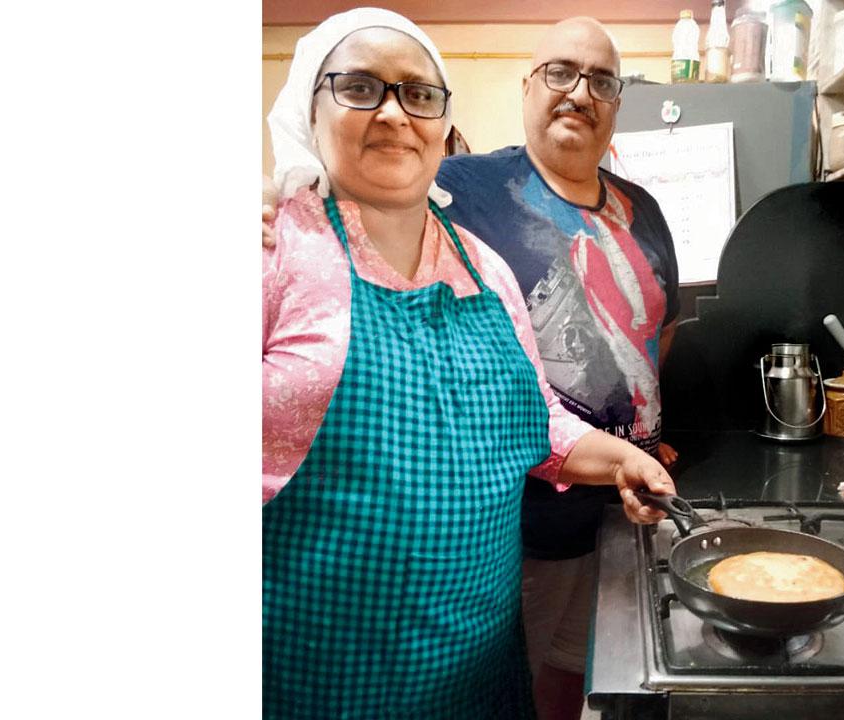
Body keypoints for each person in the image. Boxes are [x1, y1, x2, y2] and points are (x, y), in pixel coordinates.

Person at [262, 9, 675, 720]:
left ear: (441, 122)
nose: (394, 114)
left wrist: (620, 463)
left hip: (478, 668)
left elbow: (533, 416)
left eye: (418, 94)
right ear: (310, 106)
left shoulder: (482, 266)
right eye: (361, 87)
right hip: (323, 672)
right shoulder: (270, 250)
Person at [434, 18, 681, 720]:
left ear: (616, 102)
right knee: (503, 686)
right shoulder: (460, 187)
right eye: (561, 73)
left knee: (579, 678)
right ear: (527, 86)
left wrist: (646, 426)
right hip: (517, 519)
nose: (580, 92)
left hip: (625, 512)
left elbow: (659, 332)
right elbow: (355, 203)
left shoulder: (647, 212)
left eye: (601, 80)